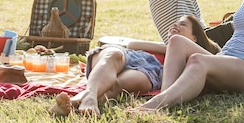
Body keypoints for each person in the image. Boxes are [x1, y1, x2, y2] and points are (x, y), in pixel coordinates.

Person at [49, 14, 220, 117]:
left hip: (151, 72)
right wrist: (168, 47)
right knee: (113, 55)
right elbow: (131, 45)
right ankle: (90, 97)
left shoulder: (194, 57)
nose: (175, 25)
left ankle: (73, 102)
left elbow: (212, 62)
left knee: (118, 86)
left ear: (195, 38)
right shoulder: (166, 46)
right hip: (128, 56)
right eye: (176, 22)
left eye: (183, 24)